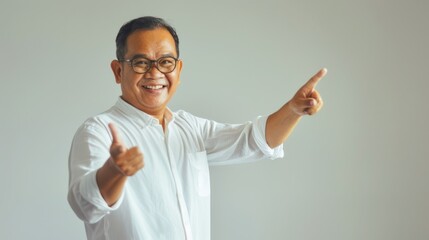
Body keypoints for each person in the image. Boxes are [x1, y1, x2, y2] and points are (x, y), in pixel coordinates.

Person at [67, 16, 327, 240]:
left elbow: (252, 140)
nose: (155, 73)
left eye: (166, 62)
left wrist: (293, 110)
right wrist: (114, 171)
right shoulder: (98, 131)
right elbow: (86, 205)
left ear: (178, 70)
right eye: (140, 62)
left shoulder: (188, 128)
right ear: (117, 71)